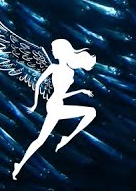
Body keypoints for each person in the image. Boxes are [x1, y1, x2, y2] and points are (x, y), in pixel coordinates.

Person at [12, 39, 97, 180]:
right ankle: (66, 138)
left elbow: (62, 93)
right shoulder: (53, 68)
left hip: (58, 103)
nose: (52, 52)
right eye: (52, 49)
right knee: (90, 112)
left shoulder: (70, 72)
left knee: (40, 140)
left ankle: (19, 166)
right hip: (54, 105)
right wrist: (34, 104)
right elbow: (38, 83)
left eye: (54, 49)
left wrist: (80, 91)